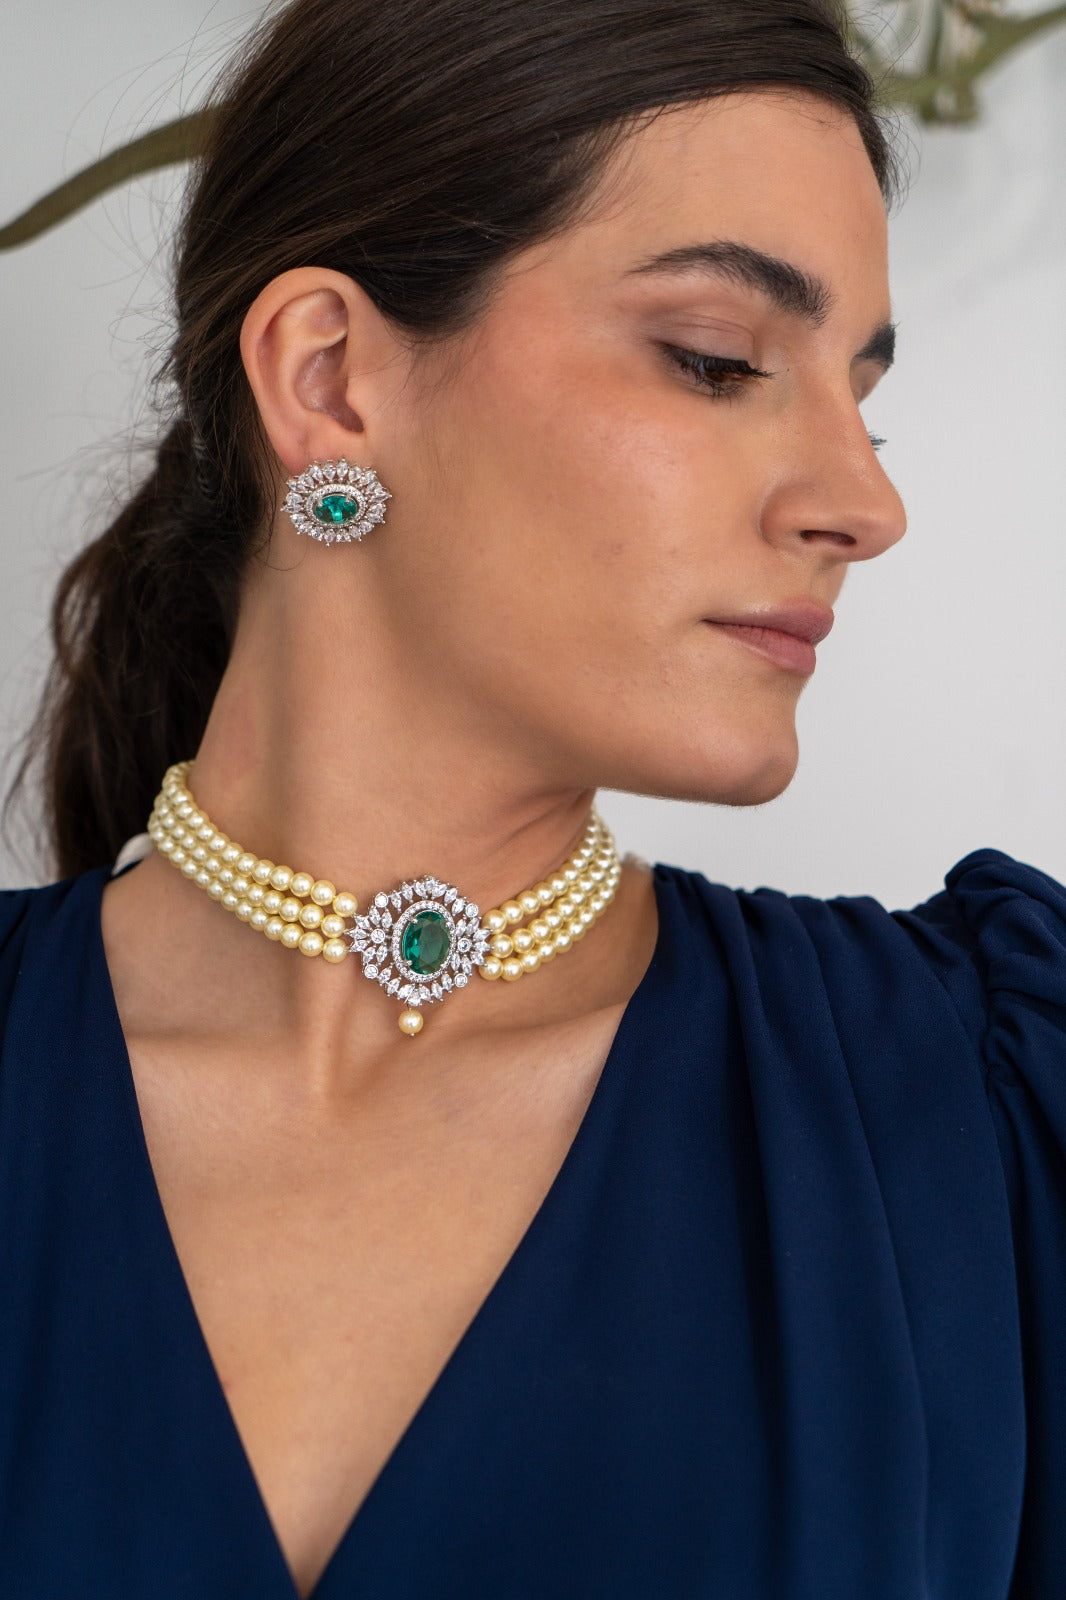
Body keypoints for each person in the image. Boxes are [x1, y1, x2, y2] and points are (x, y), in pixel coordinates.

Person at [1, 0, 1063, 1595]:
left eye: (863, 396)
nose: (865, 502)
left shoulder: (983, 1108)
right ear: (331, 379)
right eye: (716, 361)